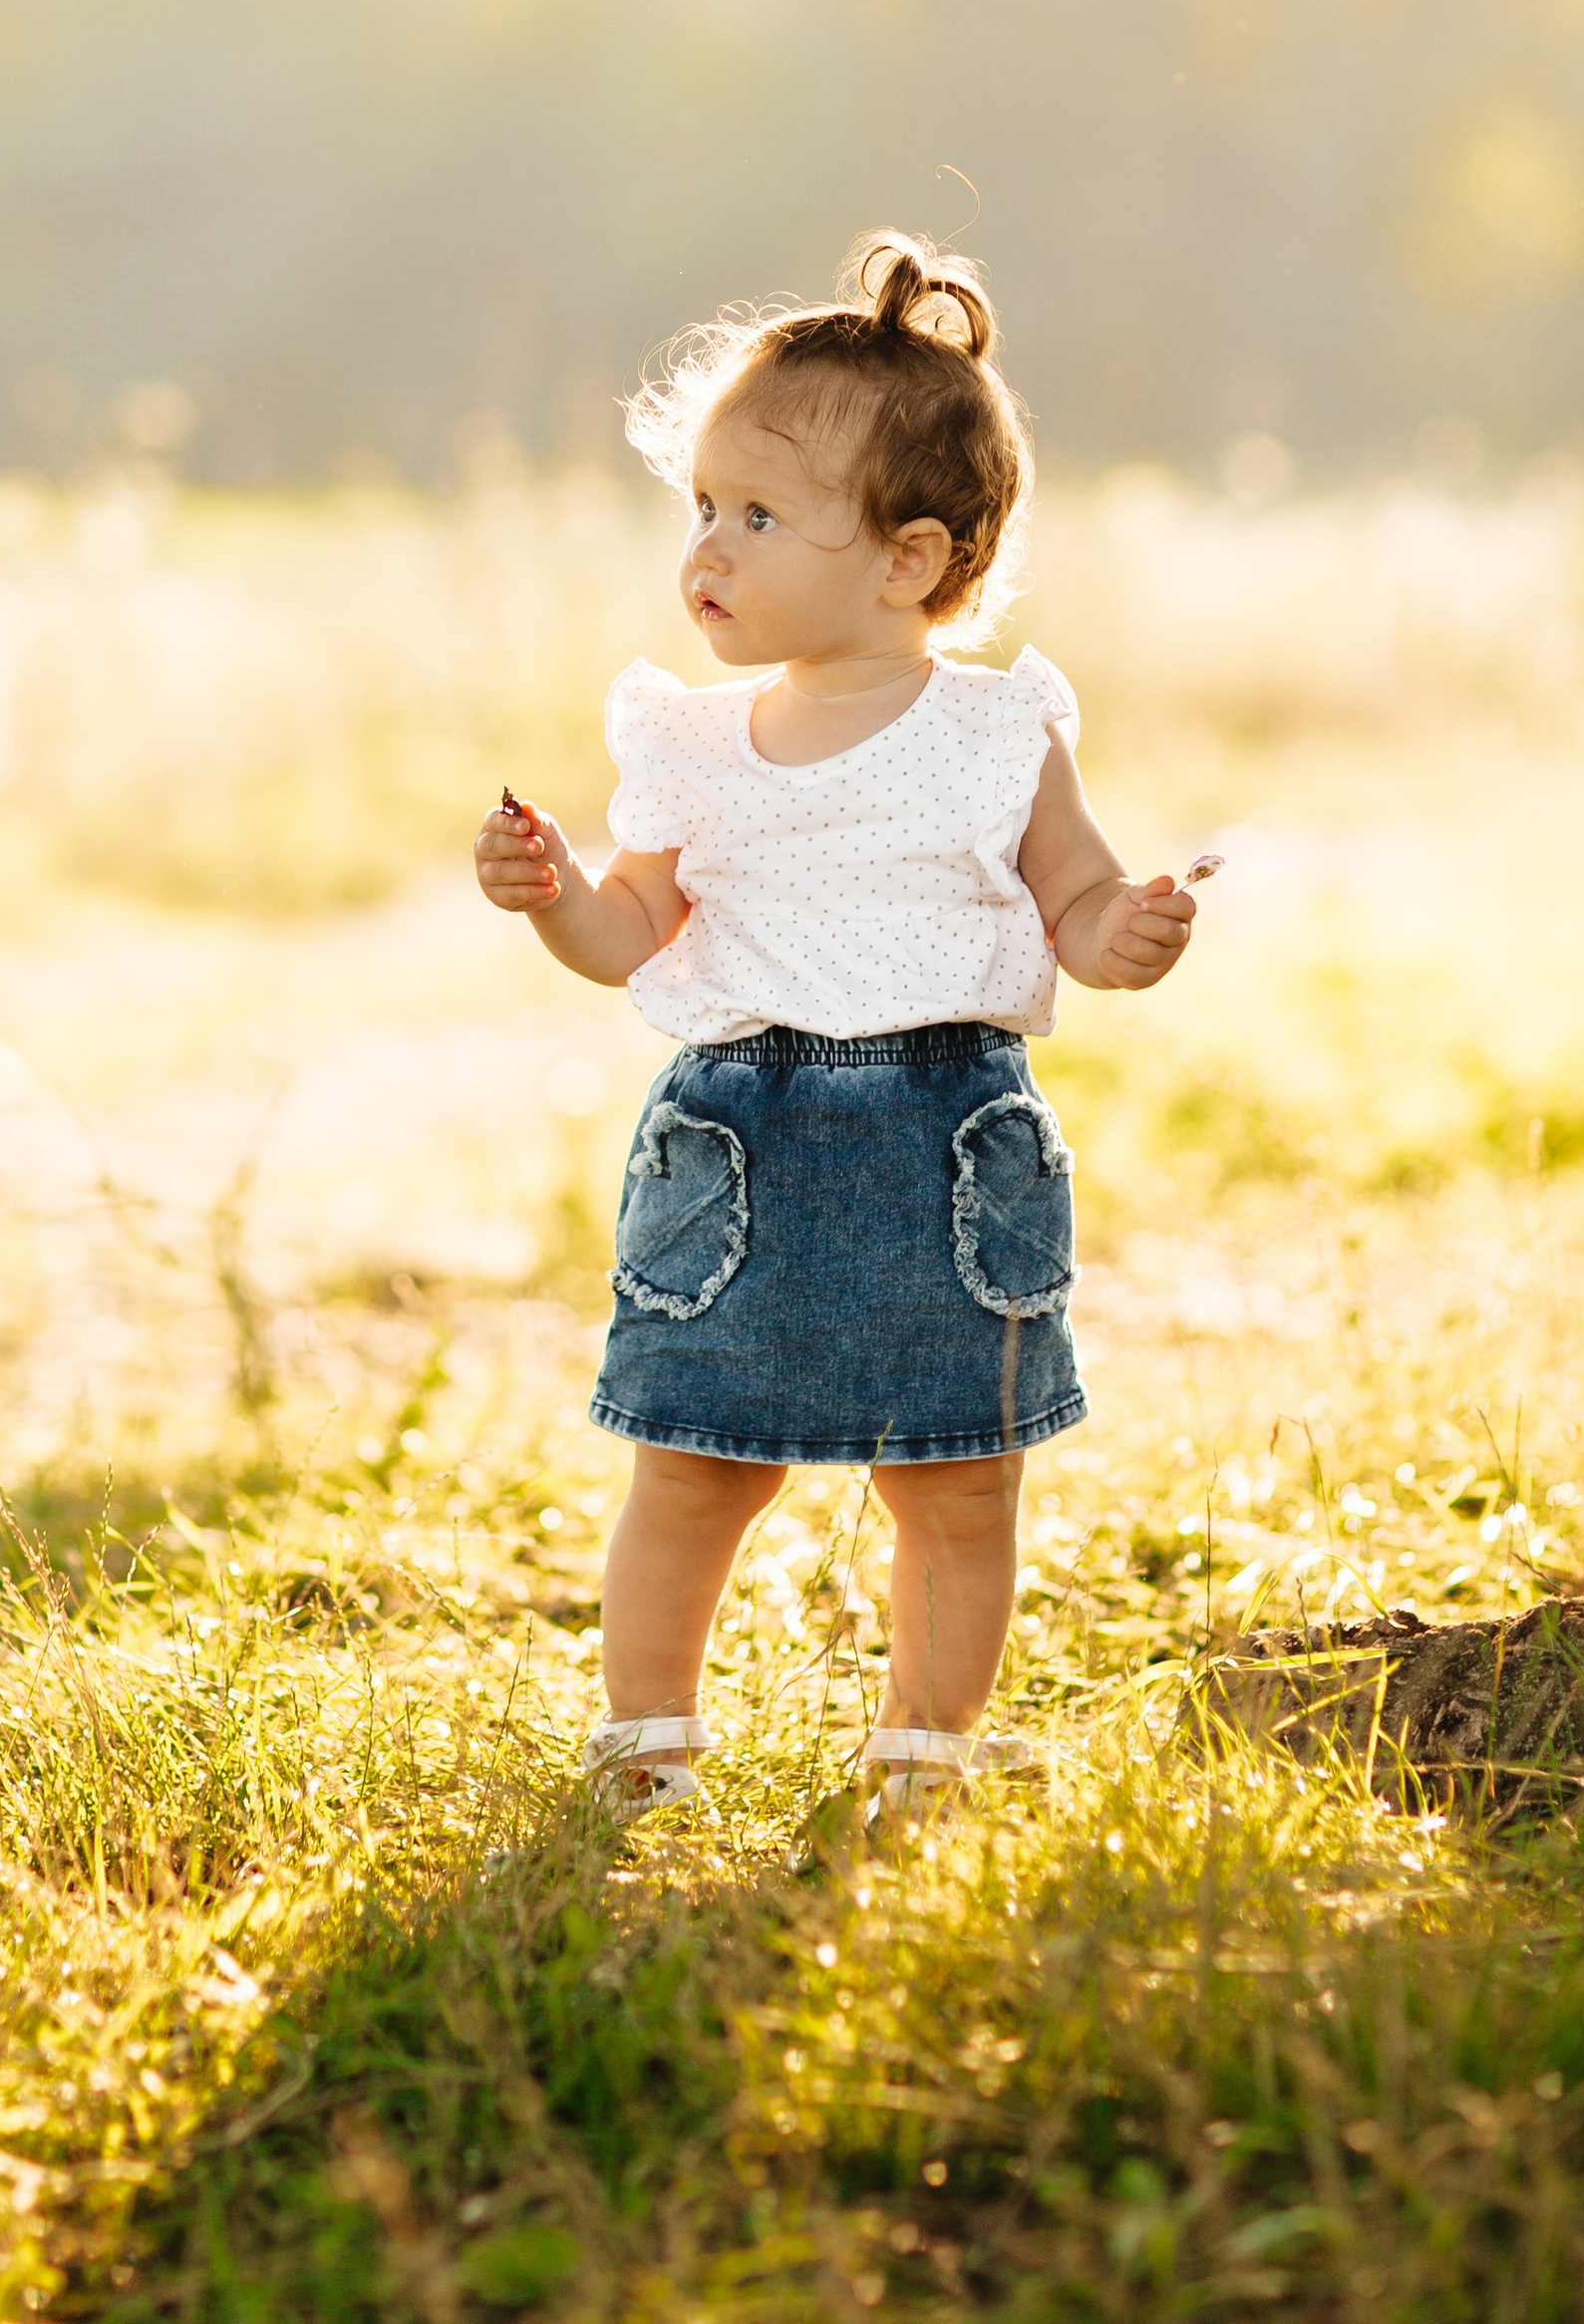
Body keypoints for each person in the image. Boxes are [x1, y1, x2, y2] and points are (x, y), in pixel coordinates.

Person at [474, 231, 1200, 1829]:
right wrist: (549, 893)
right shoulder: (692, 740)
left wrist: (1125, 934)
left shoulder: (1000, 731)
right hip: (738, 1141)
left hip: (949, 1143)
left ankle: (923, 1756)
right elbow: (621, 936)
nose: (706, 550)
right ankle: (644, 1746)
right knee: (691, 1463)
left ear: (907, 558)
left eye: (755, 516)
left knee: (956, 1480)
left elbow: (1075, 906)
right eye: (701, 509)